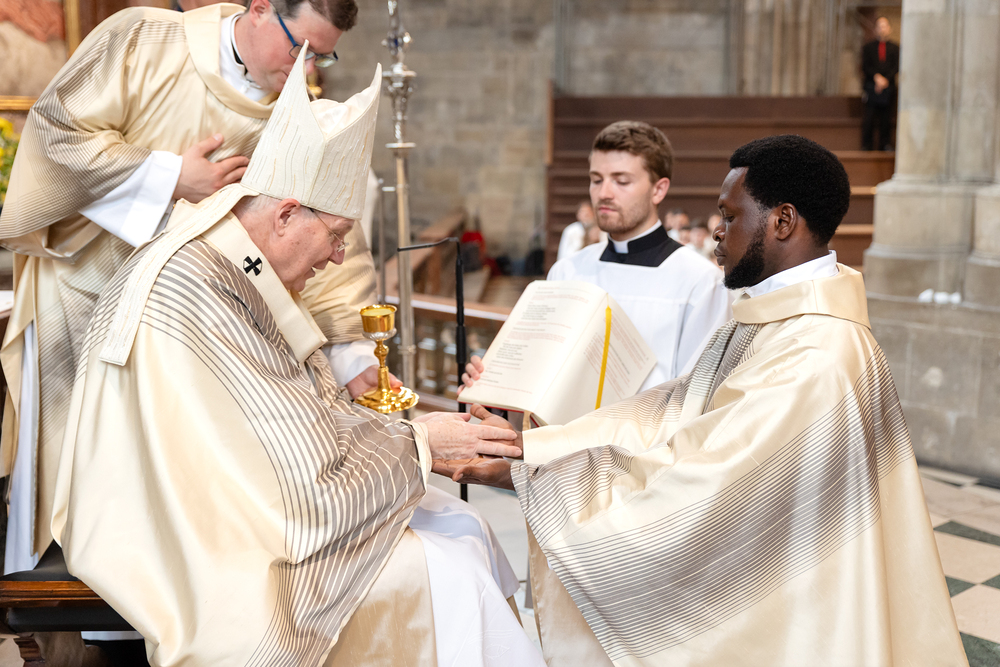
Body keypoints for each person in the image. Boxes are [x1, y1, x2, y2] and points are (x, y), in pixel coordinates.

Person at [51, 53, 543, 667]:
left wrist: (411, 441)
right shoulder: (197, 284)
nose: (337, 257)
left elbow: (291, 420)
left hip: (234, 493)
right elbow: (296, 477)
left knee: (466, 528)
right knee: (449, 572)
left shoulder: (234, 262)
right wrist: (420, 444)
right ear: (285, 214)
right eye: (336, 236)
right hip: (195, 533)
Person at [437, 135, 966, 666]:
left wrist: (531, 476)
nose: (717, 230)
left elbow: (701, 484)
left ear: (783, 221)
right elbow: (669, 412)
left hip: (800, 611)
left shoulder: (816, 353)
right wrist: (531, 446)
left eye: (730, 216)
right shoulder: (770, 317)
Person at [0, 0, 385, 583]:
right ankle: (64, 608)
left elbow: (324, 234)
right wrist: (166, 176)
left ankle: (151, 606)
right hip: (82, 297)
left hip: (190, 328)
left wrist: (351, 351)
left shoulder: (294, 112)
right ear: (261, 9)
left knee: (165, 485)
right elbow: (56, 133)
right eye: (300, 48)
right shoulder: (142, 40)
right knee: (78, 477)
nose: (307, 69)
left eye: (322, 57)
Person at [464, 121, 731, 397]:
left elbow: (698, 396)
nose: (604, 193)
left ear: (658, 190)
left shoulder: (700, 282)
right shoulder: (567, 272)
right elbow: (541, 378)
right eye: (596, 180)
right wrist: (494, 388)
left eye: (621, 181)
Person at [861, 15, 899, 151]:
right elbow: (865, 66)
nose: (882, 29)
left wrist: (885, 80)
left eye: (884, 26)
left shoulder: (895, 48)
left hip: (888, 87)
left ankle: (885, 144)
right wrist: (877, 78)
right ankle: (867, 145)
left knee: (886, 118)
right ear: (875, 29)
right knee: (869, 117)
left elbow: (896, 66)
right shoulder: (868, 47)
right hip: (872, 86)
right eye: (879, 26)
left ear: (889, 29)